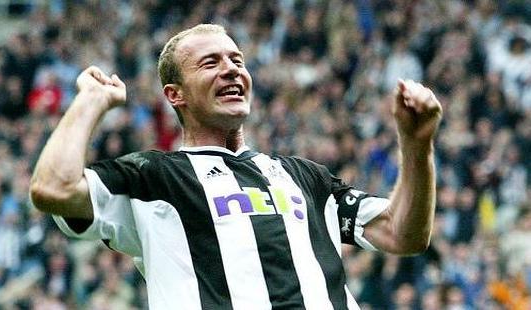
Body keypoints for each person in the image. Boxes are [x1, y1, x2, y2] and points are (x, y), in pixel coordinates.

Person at [29, 24, 442, 309]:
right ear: (176, 95)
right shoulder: (153, 178)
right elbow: (54, 188)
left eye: (237, 60)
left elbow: (403, 232)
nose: (231, 69)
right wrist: (90, 102)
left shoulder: (306, 177)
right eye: (210, 63)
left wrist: (417, 142)